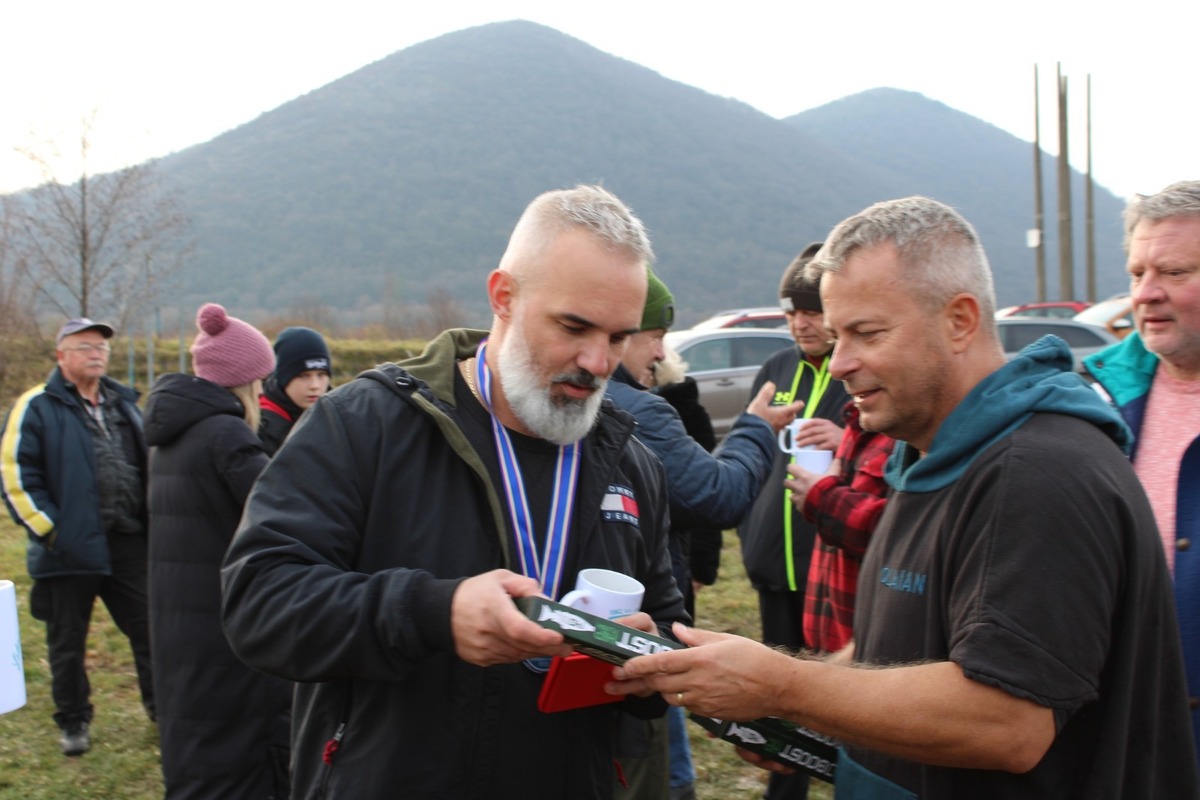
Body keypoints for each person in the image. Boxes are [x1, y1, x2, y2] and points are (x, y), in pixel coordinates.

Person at [613, 196, 1200, 798]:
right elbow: (895, 650)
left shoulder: (1037, 472)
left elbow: (1007, 722)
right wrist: (783, 705)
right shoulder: (926, 454)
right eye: (837, 334)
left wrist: (785, 685)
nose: (839, 363)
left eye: (866, 333)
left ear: (960, 321)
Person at [219, 185, 688, 800]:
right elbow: (259, 602)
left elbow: (668, 618)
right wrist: (431, 613)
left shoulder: (632, 463)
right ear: (504, 297)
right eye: (574, 326)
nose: (598, 362)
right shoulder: (364, 424)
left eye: (620, 337)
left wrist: (646, 663)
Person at [605, 268, 800, 799]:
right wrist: (758, 426)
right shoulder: (637, 409)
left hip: (616, 626)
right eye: (654, 337)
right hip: (638, 636)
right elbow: (718, 493)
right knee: (660, 772)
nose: (660, 353)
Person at [144, 303, 291, 799]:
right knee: (239, 749)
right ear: (246, 379)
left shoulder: (171, 437)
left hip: (179, 619)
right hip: (222, 617)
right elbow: (281, 510)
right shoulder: (226, 434)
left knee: (197, 742)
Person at [1083, 179, 1200, 764]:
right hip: (1126, 745)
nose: (1145, 295)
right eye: (1136, 275)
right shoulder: (1092, 403)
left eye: (1174, 273)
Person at [0, 318, 154, 756]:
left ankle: (163, 710)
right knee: (67, 642)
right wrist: (53, 532)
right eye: (85, 346)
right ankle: (73, 722)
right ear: (60, 355)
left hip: (127, 541)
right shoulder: (36, 406)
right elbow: (14, 477)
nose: (96, 353)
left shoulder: (124, 403)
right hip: (67, 548)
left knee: (149, 632)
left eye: (102, 347)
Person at [736, 241, 847, 799]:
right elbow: (746, 446)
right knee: (777, 705)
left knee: (838, 702)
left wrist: (845, 442)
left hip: (828, 571)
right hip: (771, 565)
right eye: (791, 312)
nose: (800, 324)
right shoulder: (777, 368)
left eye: (811, 311)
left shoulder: (855, 370)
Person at [783, 402, 893, 654]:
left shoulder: (916, 431)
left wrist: (824, 498)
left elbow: (911, 533)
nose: (837, 367)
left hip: (872, 658)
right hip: (830, 642)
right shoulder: (858, 417)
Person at [258, 325, 333, 456]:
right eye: (303, 376)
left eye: (321, 374)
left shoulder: (337, 417)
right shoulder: (261, 428)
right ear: (283, 378)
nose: (314, 385)